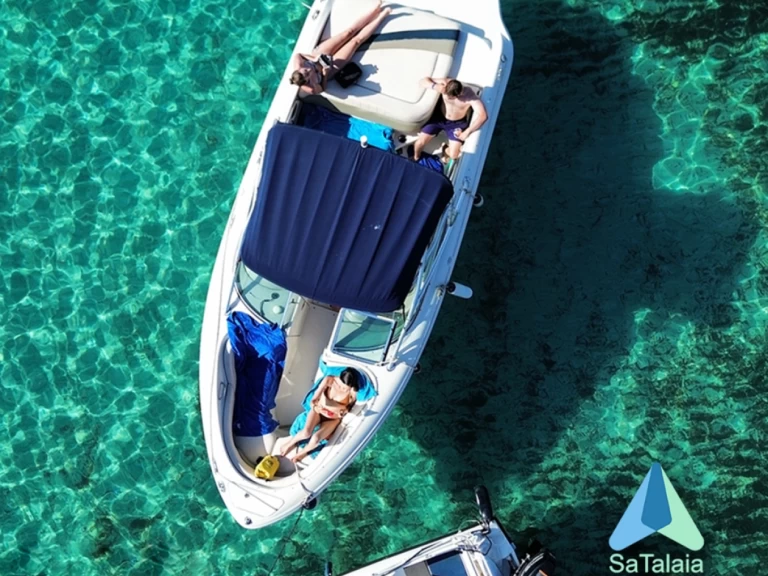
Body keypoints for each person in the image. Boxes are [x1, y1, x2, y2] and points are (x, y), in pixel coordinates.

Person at [289, 1, 391, 95]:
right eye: (308, 75)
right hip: (329, 68)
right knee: (355, 42)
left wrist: (314, 59)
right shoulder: (311, 88)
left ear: (299, 69)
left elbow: (299, 55)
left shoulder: (298, 65)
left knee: (348, 32)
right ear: (307, 81)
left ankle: (375, 9)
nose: (308, 70)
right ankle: (382, 16)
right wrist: (325, 74)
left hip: (319, 55)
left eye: (305, 70)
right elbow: (322, 89)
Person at [280, 368, 362, 463]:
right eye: (340, 385)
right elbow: (313, 400)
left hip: (332, 419)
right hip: (319, 411)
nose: (342, 389)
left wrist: (341, 412)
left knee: (316, 439)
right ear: (339, 379)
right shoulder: (329, 380)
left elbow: (348, 409)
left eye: (345, 388)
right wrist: (316, 407)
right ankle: (290, 443)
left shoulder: (353, 391)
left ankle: (302, 453)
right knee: (306, 433)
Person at [412, 78, 488, 162]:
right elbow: (422, 81)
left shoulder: (470, 97)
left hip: (456, 124)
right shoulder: (445, 84)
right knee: (419, 143)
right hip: (439, 118)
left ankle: (445, 149)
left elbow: (483, 116)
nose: (447, 96)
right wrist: (434, 86)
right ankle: (416, 157)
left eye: (450, 97)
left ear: (459, 94)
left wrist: (467, 132)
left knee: (454, 155)